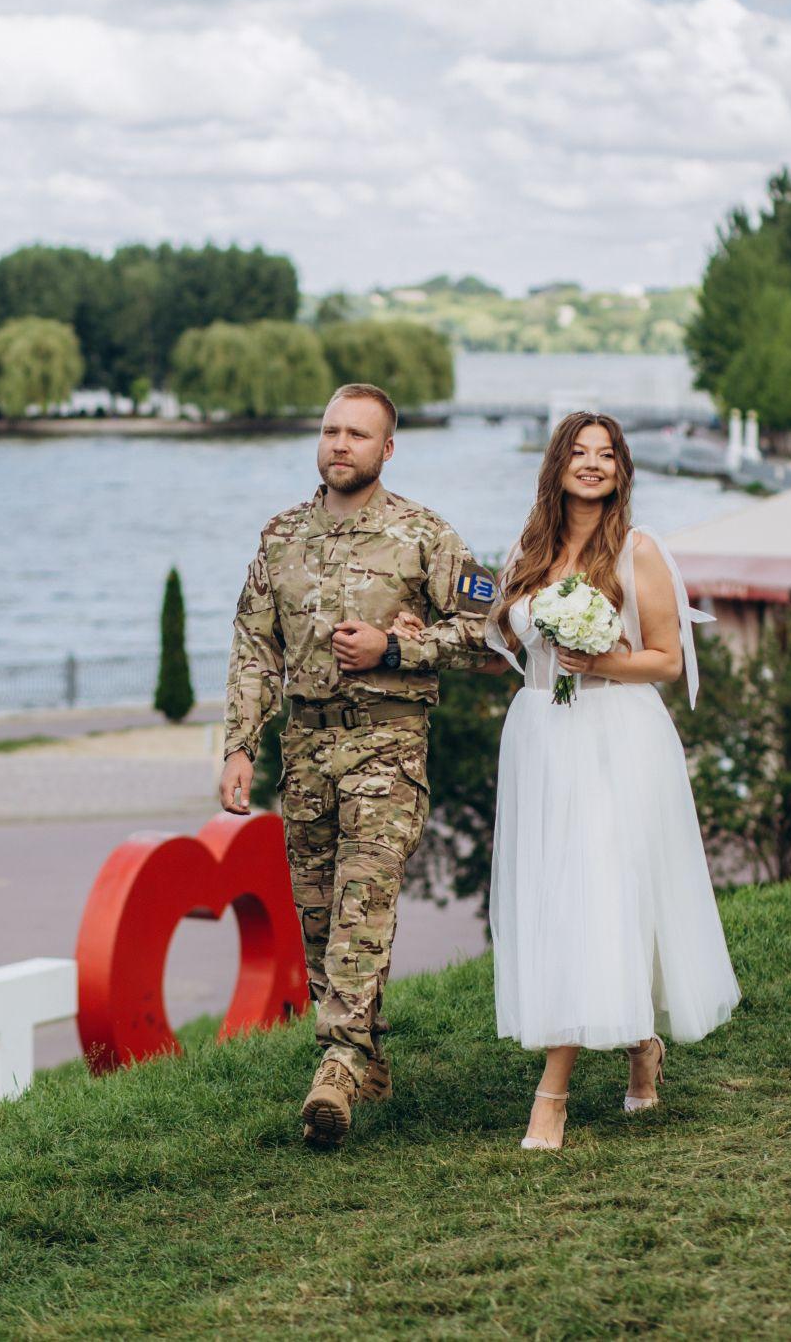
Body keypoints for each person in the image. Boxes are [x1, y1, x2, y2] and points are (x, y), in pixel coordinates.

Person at [397, 411, 739, 1151]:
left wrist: (601, 661)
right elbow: (508, 645)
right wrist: (412, 637)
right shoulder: (532, 549)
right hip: (542, 735)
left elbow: (667, 661)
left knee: (600, 890)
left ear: (620, 470)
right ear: (556, 467)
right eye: (578, 453)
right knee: (563, 895)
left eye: (605, 454)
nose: (591, 464)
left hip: (614, 732)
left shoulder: (638, 550)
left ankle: (550, 1095)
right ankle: (639, 1047)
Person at [219, 382, 494, 1149]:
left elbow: (492, 631)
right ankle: (368, 1057)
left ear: (387, 449)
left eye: (359, 435)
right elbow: (254, 647)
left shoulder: (425, 536)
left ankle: (336, 1065)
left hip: (387, 747)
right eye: (332, 431)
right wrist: (241, 745)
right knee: (316, 919)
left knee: (359, 909)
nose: (341, 445)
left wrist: (397, 647)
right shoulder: (280, 537)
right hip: (304, 752)